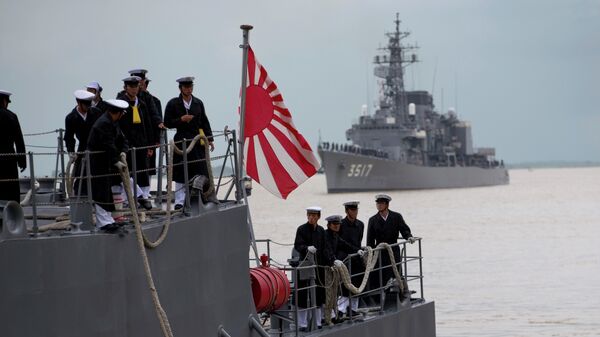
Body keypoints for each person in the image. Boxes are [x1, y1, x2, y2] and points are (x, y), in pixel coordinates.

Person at [163, 76, 214, 210]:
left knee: (199, 168)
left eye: (191, 87)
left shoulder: (198, 103)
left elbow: (204, 121)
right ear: (180, 88)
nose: (189, 89)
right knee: (181, 171)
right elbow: (167, 122)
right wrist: (181, 120)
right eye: (186, 87)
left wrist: (210, 138)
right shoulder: (173, 103)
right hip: (181, 140)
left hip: (196, 140)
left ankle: (198, 196)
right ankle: (180, 201)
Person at [86, 99, 129, 232]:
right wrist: (116, 161)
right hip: (97, 162)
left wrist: (123, 151)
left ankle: (108, 219)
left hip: (105, 162)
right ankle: (103, 222)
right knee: (100, 192)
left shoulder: (112, 122)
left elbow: (122, 139)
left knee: (105, 192)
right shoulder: (104, 123)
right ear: (119, 113)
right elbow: (108, 144)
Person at [116, 76, 157, 210]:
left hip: (141, 142)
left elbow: (148, 125)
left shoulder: (142, 104)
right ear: (126, 88)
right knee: (127, 171)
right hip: (126, 142)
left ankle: (143, 196)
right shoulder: (121, 104)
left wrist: (150, 144)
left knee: (142, 170)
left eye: (136, 87)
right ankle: (128, 198)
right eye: (131, 87)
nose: (134, 89)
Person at [366, 194, 415, 295]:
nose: (379, 205)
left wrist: (409, 236)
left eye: (382, 203)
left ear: (387, 204)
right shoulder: (373, 220)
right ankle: (382, 292)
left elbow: (404, 229)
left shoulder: (396, 217)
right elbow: (370, 240)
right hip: (380, 251)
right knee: (381, 273)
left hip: (393, 249)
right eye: (378, 203)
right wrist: (370, 254)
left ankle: (400, 290)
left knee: (396, 271)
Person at [293, 206, 327, 331]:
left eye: (314, 215)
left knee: (318, 294)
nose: (312, 218)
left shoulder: (321, 231)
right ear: (307, 216)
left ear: (318, 217)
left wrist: (333, 260)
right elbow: (297, 245)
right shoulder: (301, 229)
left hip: (318, 266)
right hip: (305, 265)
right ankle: (302, 324)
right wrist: (306, 248)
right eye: (310, 215)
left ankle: (317, 322)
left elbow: (325, 248)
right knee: (302, 293)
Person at [64, 89, 102, 195]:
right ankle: (81, 199)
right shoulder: (71, 118)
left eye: (89, 103)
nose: (88, 107)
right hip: (83, 148)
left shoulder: (96, 113)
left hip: (97, 148)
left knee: (100, 176)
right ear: (78, 102)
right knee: (81, 176)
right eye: (85, 104)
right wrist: (71, 152)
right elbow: (69, 137)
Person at [337, 201, 365, 317]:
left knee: (357, 283)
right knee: (344, 285)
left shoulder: (360, 225)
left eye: (356, 210)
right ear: (347, 211)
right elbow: (339, 242)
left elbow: (359, 240)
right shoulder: (340, 225)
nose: (354, 212)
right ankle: (341, 309)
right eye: (352, 210)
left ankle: (353, 309)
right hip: (345, 259)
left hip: (357, 258)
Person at [0, 90, 26, 203]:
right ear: (4, 101)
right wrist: (22, 161)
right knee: (11, 191)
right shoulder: (11, 116)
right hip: (8, 159)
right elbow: (19, 141)